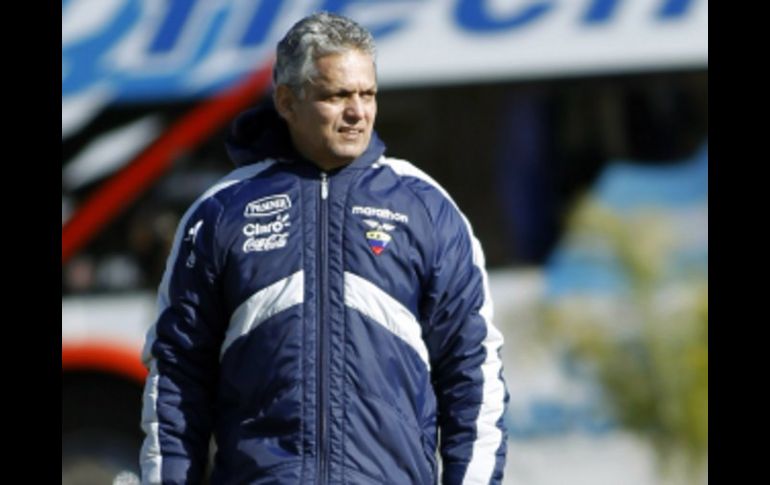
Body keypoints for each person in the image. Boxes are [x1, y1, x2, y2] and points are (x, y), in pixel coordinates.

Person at [140, 11, 508, 485]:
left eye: (367, 94)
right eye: (337, 96)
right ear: (287, 102)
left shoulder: (427, 208)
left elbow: (473, 372)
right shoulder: (220, 212)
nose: (358, 112)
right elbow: (176, 380)